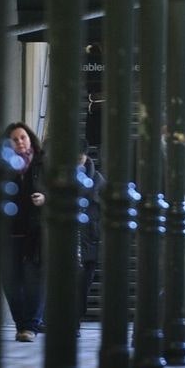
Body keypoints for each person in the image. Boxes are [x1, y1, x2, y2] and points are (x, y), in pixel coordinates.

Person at [2, 122, 46, 342]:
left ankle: (30, 326)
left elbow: (59, 189)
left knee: (33, 281)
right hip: (8, 233)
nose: (20, 142)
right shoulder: (2, 165)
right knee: (10, 282)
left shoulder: (42, 163)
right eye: (15, 139)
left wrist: (45, 199)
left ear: (30, 139)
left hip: (35, 232)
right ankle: (21, 325)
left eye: (23, 137)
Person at [76, 139, 105, 330]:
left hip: (89, 239)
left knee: (83, 285)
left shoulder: (98, 180)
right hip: (67, 237)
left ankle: (75, 319)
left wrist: (98, 231)